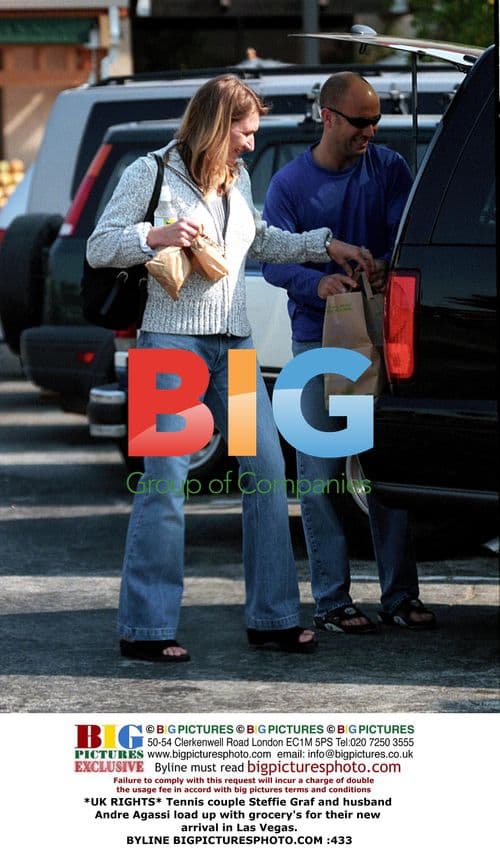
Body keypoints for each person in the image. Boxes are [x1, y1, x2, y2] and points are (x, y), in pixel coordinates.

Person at [86, 74, 373, 662]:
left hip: (234, 346)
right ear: (219, 127)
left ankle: (270, 619)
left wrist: (326, 245)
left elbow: (257, 241)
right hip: (169, 344)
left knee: (266, 474)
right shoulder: (151, 172)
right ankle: (146, 629)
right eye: (245, 133)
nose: (250, 144)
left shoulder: (234, 178)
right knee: (164, 485)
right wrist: (154, 233)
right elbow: (99, 245)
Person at [262, 71, 436, 634]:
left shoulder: (387, 167)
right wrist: (317, 284)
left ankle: (399, 596)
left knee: (385, 472)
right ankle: (333, 601)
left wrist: (385, 262)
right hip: (315, 344)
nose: (370, 131)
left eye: (376, 121)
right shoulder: (290, 184)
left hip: (379, 342)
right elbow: (271, 260)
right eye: (361, 121)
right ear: (328, 116)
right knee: (318, 479)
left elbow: (401, 234)